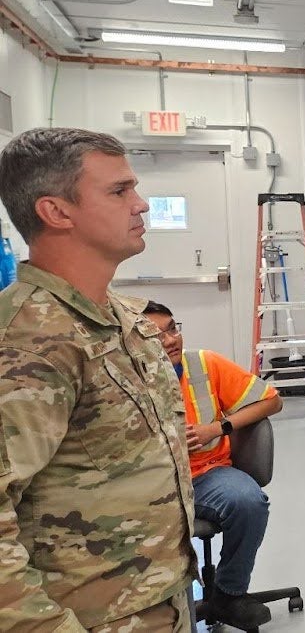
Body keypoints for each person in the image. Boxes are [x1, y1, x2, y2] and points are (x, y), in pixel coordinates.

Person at [0, 128, 195, 631]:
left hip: (159, 599)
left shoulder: (124, 320)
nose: (141, 204)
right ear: (56, 212)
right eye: (119, 191)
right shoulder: (26, 342)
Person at [141, 301, 283, 629]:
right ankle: (163, 612)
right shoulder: (123, 378)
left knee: (248, 502)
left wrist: (217, 428)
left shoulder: (203, 364)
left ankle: (229, 593)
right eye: (157, 336)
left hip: (207, 473)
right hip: (153, 481)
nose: (171, 340)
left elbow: (272, 401)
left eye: (173, 329)